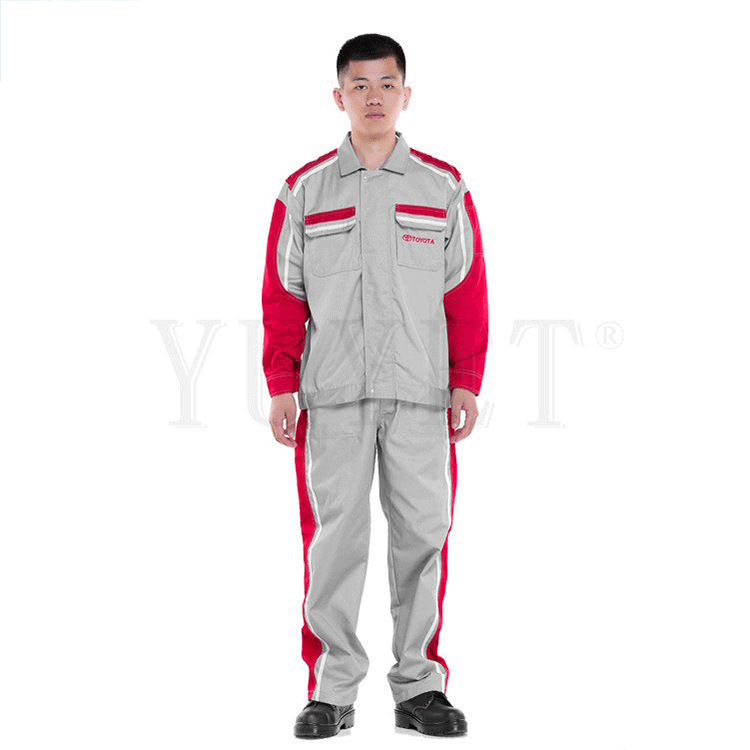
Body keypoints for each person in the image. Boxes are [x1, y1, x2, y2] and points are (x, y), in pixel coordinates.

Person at [261, 33, 489, 739]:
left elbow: (466, 291)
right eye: (359, 86)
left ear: (406, 94)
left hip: (421, 397)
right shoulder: (304, 191)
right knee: (334, 542)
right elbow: (282, 295)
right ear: (339, 97)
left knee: (423, 537)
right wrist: (280, 382)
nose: (374, 97)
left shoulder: (443, 188)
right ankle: (331, 692)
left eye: (387, 84)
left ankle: (420, 688)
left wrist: (466, 380)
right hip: (332, 398)